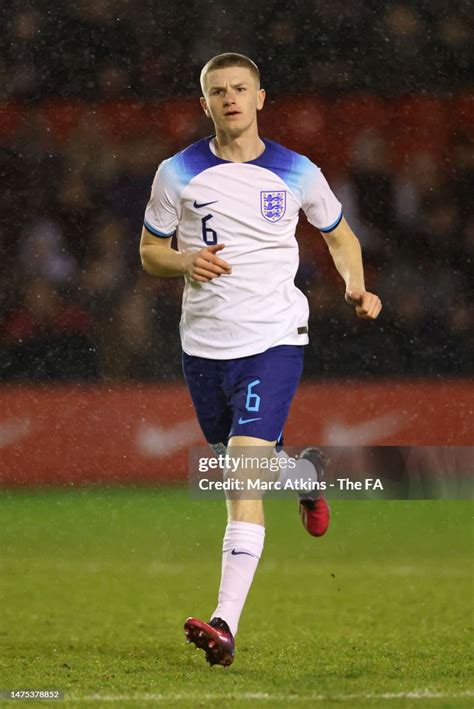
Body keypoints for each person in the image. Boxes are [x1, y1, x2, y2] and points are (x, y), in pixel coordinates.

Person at [139, 53, 382, 667]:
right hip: (203, 347)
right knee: (256, 467)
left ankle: (225, 624)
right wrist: (183, 261)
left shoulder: (297, 171)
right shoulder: (178, 173)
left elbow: (339, 234)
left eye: (240, 88)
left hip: (273, 339)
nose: (230, 99)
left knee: (240, 480)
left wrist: (355, 284)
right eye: (218, 91)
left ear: (260, 98)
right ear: (205, 103)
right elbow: (148, 252)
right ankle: (306, 477)